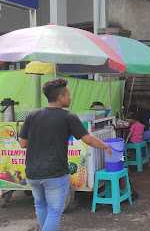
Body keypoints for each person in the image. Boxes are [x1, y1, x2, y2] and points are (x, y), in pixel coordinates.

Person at [19, 79, 112, 231]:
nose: (70, 98)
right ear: (61, 97)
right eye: (68, 95)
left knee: (41, 205)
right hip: (55, 173)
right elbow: (87, 139)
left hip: (33, 172)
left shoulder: (32, 115)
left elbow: (23, 143)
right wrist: (105, 146)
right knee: (55, 211)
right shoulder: (68, 116)